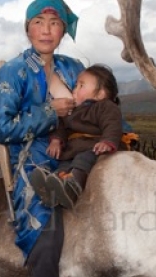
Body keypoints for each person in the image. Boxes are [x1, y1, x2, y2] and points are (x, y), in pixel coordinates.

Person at [0, 0, 83, 277]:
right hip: (32, 162)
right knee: (47, 231)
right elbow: (2, 127)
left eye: (55, 23)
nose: (47, 30)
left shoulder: (74, 67)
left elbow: (96, 107)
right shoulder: (13, 72)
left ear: (64, 30)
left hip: (78, 153)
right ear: (28, 28)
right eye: (39, 23)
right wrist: (50, 114)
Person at [30, 63, 125, 209]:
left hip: (93, 147)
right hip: (72, 150)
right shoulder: (73, 110)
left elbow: (112, 125)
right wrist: (56, 140)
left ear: (100, 94)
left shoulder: (105, 107)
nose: (74, 90)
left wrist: (107, 141)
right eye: (75, 85)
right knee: (64, 164)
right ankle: (54, 187)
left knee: (83, 160)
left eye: (81, 86)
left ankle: (74, 186)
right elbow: (61, 126)